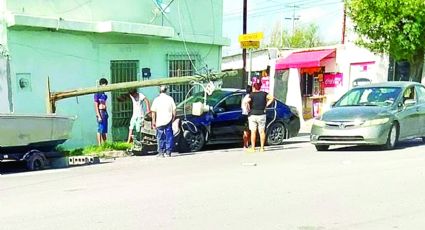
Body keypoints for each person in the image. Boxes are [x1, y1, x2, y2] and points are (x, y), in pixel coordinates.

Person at [246, 82, 274, 152]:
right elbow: (272, 98)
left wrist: (248, 108)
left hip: (253, 115)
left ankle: (253, 148)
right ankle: (262, 148)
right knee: (261, 131)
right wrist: (266, 105)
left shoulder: (251, 94)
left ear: (254, 87)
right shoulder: (264, 94)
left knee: (253, 132)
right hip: (262, 114)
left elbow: (246, 101)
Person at [151, 85, 176, 157]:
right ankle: (168, 151)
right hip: (168, 119)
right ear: (166, 90)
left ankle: (161, 152)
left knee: (160, 136)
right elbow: (174, 110)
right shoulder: (170, 99)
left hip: (159, 121)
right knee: (169, 135)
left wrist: (153, 121)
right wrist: (173, 118)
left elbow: (153, 112)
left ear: (159, 91)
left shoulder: (156, 99)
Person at [94, 78, 109, 146]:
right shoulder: (97, 93)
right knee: (100, 129)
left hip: (104, 111)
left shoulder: (104, 94)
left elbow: (105, 103)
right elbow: (96, 105)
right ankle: (99, 145)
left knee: (104, 130)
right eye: (104, 85)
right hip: (100, 112)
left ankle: (105, 144)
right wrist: (98, 115)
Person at [241, 84, 252, 149]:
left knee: (246, 130)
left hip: (244, 114)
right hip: (248, 114)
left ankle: (245, 144)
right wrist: (249, 110)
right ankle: (247, 144)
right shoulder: (249, 97)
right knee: (249, 130)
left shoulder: (245, 97)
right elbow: (247, 104)